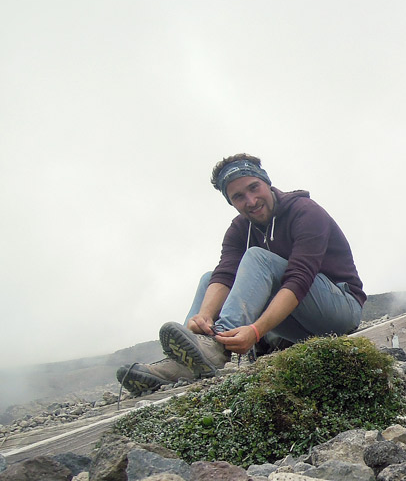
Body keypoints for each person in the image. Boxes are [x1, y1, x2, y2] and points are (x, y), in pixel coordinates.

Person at [117, 153, 366, 395]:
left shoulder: (305, 211)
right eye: (238, 196)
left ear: (267, 183)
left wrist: (256, 331)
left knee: (258, 258)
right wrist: (203, 316)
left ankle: (215, 346)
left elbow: (300, 279)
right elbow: (224, 275)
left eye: (254, 187)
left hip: (340, 310)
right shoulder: (239, 230)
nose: (251, 200)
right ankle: (186, 357)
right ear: (231, 202)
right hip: (299, 324)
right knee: (210, 278)